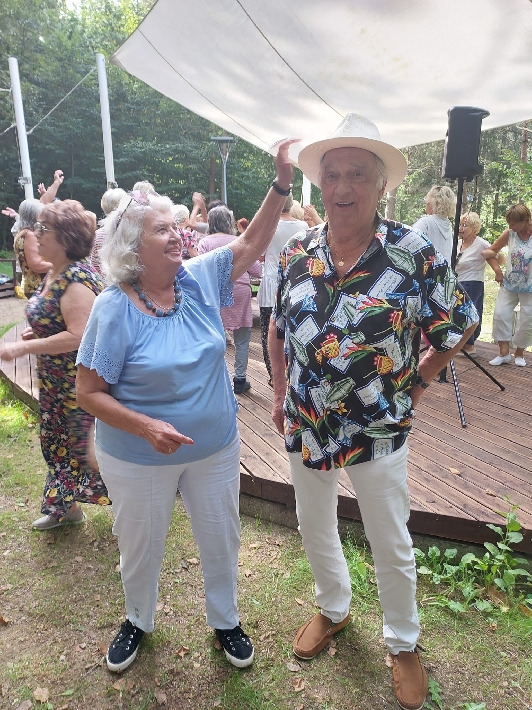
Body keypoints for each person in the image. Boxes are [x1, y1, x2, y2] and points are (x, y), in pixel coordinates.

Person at [268, 113, 478, 710]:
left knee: (389, 537)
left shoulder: (412, 254)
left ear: (381, 185)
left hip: (378, 428)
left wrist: (422, 379)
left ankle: (403, 642)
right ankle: (333, 607)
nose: (342, 187)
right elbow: (278, 329)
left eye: (357, 174)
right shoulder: (298, 251)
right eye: (332, 174)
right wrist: (279, 395)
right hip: (307, 421)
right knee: (314, 523)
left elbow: (460, 324)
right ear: (321, 184)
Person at [74, 141, 296, 673]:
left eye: (175, 226)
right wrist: (146, 426)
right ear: (134, 249)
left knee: (221, 536)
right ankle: (137, 618)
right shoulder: (113, 309)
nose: (176, 235)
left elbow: (250, 241)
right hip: (138, 455)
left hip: (214, 447)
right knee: (140, 544)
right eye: (161, 230)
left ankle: (226, 619)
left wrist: (282, 184)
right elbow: (88, 393)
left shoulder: (196, 279)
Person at [0, 200, 110, 530]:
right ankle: (65, 508)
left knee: (91, 454)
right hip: (56, 382)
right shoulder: (55, 271)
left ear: (64, 238)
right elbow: (60, 319)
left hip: (78, 384)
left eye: (43, 229)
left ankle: (138, 510)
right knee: (57, 445)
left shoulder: (75, 279)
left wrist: (23, 346)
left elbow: (78, 335)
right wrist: (41, 329)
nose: (35, 234)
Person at [198, 205, 261, 394]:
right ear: (229, 222)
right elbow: (256, 270)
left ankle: (217, 378)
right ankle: (240, 379)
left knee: (215, 337)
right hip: (240, 291)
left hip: (216, 293)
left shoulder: (205, 243)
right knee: (242, 339)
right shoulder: (240, 241)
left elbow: (202, 271)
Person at [257, 193, 307, 386]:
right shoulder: (303, 226)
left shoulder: (268, 225)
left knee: (267, 331)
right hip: (295, 283)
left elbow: (260, 256)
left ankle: (273, 376)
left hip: (271, 281)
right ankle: (290, 374)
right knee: (292, 329)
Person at [482, 203, 532, 367]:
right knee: (500, 314)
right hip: (509, 284)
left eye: (513, 223)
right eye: (509, 223)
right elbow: (489, 252)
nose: (510, 227)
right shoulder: (510, 234)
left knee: (528, 321)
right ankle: (504, 353)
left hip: (530, 287)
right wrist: (498, 271)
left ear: (526, 220)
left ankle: (519, 353)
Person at [455, 212, 502, 355]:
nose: (460, 228)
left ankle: (469, 346)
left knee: (468, 313)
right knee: (457, 314)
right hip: (457, 282)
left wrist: (498, 272)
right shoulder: (457, 243)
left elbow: (497, 258)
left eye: (465, 225)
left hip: (472, 283)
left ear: (474, 228)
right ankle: (460, 344)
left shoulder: (481, 244)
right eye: (460, 225)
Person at [13, 199, 53, 297]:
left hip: (32, 286)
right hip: (37, 286)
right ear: (35, 215)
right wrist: (59, 265)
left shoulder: (22, 232)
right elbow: (36, 265)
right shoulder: (29, 235)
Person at [90, 187, 128, 281]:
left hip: (103, 284)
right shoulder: (130, 233)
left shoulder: (97, 235)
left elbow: (94, 266)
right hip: (127, 285)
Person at [412, 185, 456, 265]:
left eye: (427, 202)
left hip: (428, 270)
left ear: (432, 203)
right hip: (444, 270)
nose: (426, 204)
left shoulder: (426, 222)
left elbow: (409, 243)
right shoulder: (447, 224)